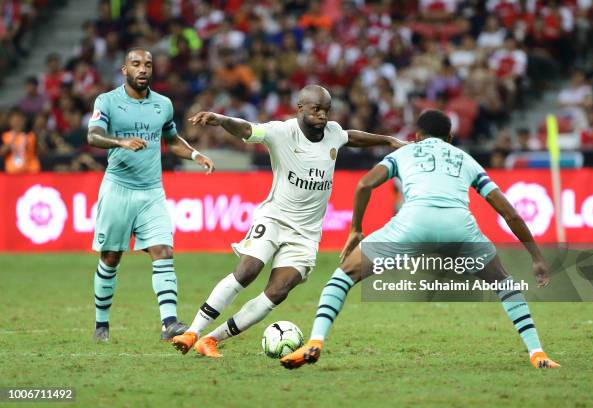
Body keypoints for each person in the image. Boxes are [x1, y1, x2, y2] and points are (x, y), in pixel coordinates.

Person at [281, 109, 560, 370]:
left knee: (341, 278)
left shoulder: (406, 152)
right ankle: (538, 354)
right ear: (450, 138)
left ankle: (316, 341)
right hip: (459, 230)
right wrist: (536, 257)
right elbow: (509, 213)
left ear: (416, 136)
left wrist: (356, 228)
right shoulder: (466, 159)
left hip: (412, 225)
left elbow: (365, 184)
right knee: (505, 284)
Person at [172, 84, 405, 357]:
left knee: (278, 291)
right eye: (316, 109)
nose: (322, 116)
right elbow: (247, 129)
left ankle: (211, 339)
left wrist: (388, 140)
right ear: (300, 109)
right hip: (274, 218)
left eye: (326, 110)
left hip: (306, 234)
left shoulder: (332, 133)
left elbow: (351, 137)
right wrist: (222, 120)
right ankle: (192, 332)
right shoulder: (281, 132)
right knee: (248, 270)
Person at [87, 47, 215, 342]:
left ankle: (169, 324)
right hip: (118, 188)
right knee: (110, 257)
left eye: (147, 64)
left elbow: (171, 139)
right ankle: (101, 326)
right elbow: (92, 136)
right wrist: (120, 142)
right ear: (124, 70)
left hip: (151, 191)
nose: (142, 69)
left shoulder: (163, 105)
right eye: (135, 64)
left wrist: (195, 155)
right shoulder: (107, 101)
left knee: (163, 251)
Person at [1, 108, 41, 174]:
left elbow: (40, 152)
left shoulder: (31, 135)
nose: (17, 123)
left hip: (31, 173)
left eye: (19, 120)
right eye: (15, 120)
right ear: (10, 121)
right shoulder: (5, 136)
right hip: (11, 173)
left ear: (24, 120)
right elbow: (2, 152)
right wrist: (11, 142)